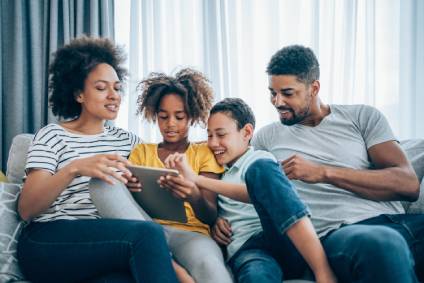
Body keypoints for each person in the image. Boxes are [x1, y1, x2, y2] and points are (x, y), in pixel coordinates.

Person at [247, 45, 423, 282]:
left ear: (314, 88)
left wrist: (323, 172)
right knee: (382, 243)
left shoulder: (362, 117)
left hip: (400, 222)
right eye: (272, 93)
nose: (277, 102)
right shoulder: (266, 138)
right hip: (338, 234)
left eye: (287, 93)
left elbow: (409, 185)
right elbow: (253, 188)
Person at [17, 36, 178, 283]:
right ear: (79, 94)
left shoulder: (129, 142)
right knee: (146, 235)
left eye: (116, 87)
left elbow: (151, 192)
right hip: (48, 240)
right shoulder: (52, 135)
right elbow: (27, 209)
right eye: (102, 88)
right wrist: (74, 168)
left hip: (107, 241)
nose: (113, 95)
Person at [161, 98, 337, 283]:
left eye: (221, 135)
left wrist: (197, 180)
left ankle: (323, 271)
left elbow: (259, 194)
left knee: (260, 171)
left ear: (246, 132)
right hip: (247, 248)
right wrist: (215, 221)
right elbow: (207, 206)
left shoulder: (260, 160)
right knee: (256, 275)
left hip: (282, 237)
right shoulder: (214, 168)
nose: (213, 143)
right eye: (209, 135)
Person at [90, 69, 233, 283]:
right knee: (104, 184)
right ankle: (172, 267)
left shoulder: (204, 153)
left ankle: (170, 263)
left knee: (210, 266)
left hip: (192, 235)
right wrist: (130, 189)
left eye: (179, 116)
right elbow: (127, 208)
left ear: (192, 116)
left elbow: (210, 216)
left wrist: (192, 194)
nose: (170, 124)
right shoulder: (141, 152)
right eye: (163, 116)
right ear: (154, 115)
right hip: (147, 232)